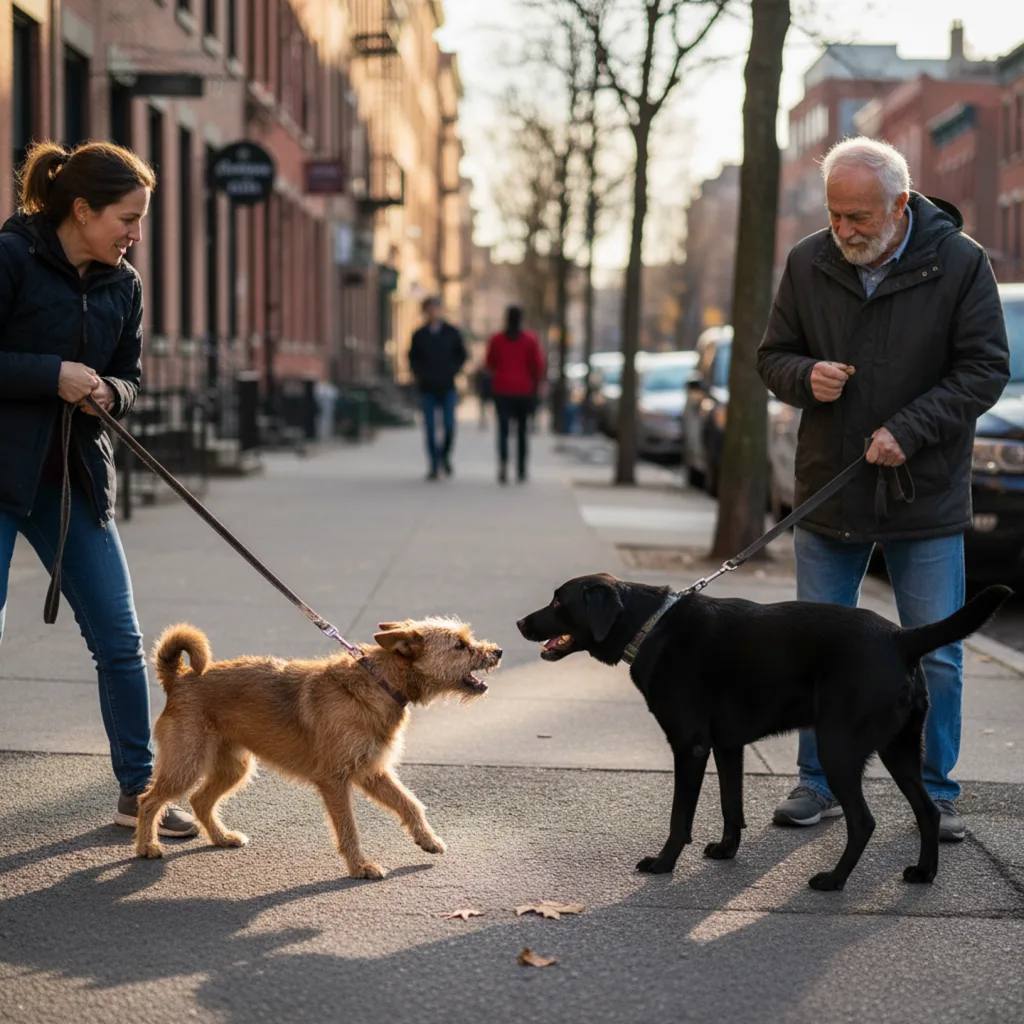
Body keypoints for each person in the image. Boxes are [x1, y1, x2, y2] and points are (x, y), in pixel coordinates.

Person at [757, 137, 1010, 842]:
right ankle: (817, 783)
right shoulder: (808, 260)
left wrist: (911, 428)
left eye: (859, 217)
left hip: (922, 492)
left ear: (900, 204)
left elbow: (985, 368)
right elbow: (772, 357)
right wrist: (804, 376)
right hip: (830, 490)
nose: (844, 230)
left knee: (937, 654)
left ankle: (935, 792)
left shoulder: (961, 262)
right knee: (816, 648)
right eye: (835, 215)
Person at [0, 140, 198, 837]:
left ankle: (139, 790)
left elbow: (130, 376)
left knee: (120, 638)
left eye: (141, 220)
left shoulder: (125, 285)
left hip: (76, 481)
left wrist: (111, 391)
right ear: (82, 210)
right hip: (3, 476)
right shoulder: (12, 258)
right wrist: (51, 374)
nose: (136, 234)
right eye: (128, 218)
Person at [408, 296, 467, 480]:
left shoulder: (452, 333)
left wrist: (453, 370)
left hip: (447, 386)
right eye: (430, 309)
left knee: (449, 426)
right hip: (427, 388)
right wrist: (419, 374)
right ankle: (434, 465)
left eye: (436, 308)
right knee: (430, 429)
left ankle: (444, 456)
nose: (433, 312)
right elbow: (412, 358)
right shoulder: (420, 335)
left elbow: (462, 355)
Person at [486, 306, 545, 484]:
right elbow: (538, 366)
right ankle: (521, 468)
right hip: (524, 391)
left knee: (503, 430)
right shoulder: (530, 339)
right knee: (522, 431)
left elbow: (490, 363)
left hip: (502, 390)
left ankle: (504, 464)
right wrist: (536, 386)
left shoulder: (497, 339)